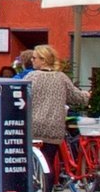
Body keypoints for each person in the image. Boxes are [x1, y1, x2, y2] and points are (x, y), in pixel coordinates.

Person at [21, 46, 81, 177]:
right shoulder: (61, 78)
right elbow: (76, 97)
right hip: (54, 128)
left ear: (43, 60)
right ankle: (48, 187)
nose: (32, 60)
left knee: (31, 163)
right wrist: (88, 96)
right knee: (48, 162)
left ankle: (35, 183)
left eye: (34, 58)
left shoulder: (31, 77)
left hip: (33, 127)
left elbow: (20, 96)